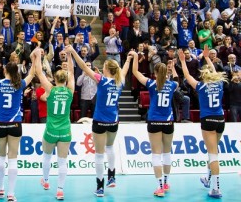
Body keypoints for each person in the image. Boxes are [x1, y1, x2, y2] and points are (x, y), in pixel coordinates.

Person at [67, 44, 131, 197]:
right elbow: (125, 70)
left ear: (107, 69)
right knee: (110, 148)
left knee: (99, 154)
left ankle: (100, 186)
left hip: (100, 121)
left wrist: (73, 52)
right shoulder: (120, 82)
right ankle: (112, 176)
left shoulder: (101, 80)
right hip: (113, 121)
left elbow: (83, 66)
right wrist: (128, 59)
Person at [0, 47, 36, 202]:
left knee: (1, 157)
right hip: (15, 124)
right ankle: (11, 194)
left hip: (0, 123)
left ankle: (1, 189)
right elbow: (32, 74)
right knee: (13, 158)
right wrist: (34, 59)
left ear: (5, 71)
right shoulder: (19, 84)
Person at [178, 45, 227, 199]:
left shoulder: (200, 86)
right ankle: (208, 178)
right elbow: (215, 71)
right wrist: (206, 57)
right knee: (213, 152)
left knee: (213, 155)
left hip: (208, 121)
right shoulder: (219, 83)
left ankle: (216, 188)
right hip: (220, 119)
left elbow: (186, 75)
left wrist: (183, 61)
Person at [130, 51, 178, 197]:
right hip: (168, 121)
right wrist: (173, 66)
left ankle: (160, 187)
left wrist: (136, 57)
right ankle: (167, 182)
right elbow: (177, 79)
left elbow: (135, 72)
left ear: (155, 72)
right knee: (167, 152)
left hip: (154, 121)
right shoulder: (173, 85)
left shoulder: (151, 84)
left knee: (156, 154)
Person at [35, 48, 74, 200]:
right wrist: (69, 55)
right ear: (65, 79)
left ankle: (45, 181)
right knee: (62, 161)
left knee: (46, 157)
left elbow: (39, 72)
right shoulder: (70, 90)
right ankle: (60, 190)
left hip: (51, 129)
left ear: (55, 79)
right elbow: (70, 71)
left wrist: (38, 56)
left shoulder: (50, 90)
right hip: (65, 130)